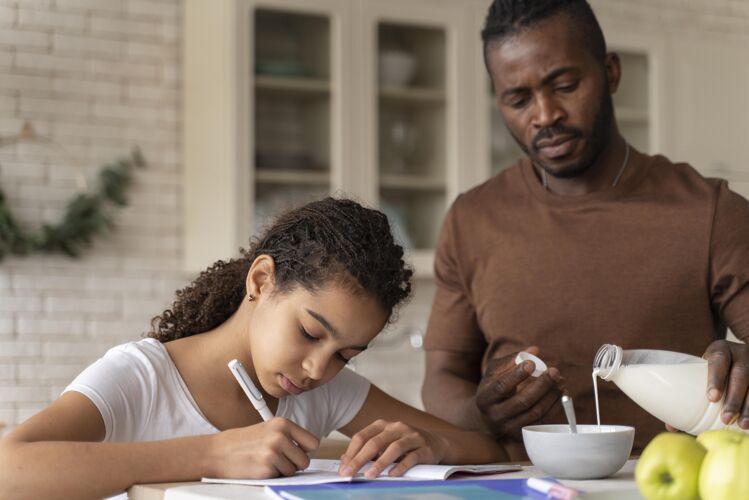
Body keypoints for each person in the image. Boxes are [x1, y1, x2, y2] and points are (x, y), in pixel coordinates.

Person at [0, 197, 508, 499]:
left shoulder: (324, 392)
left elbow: (488, 450)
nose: (316, 368)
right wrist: (213, 454)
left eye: (344, 355)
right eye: (310, 333)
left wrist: (434, 445)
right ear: (262, 281)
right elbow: (9, 470)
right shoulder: (142, 377)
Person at [422, 0, 749, 455]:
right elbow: (443, 375)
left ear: (611, 73)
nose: (544, 114)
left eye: (565, 85)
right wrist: (479, 414)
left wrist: (741, 367)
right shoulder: (472, 219)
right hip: (522, 485)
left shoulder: (711, 211)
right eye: (518, 99)